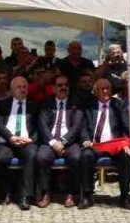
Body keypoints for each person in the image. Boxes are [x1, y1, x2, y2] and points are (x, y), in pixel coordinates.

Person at [79, 78, 130, 210]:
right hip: (95, 145)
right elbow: (83, 127)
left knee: (126, 156)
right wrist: (85, 139)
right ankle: (87, 196)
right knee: (85, 156)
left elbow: (126, 127)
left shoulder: (119, 105)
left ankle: (124, 196)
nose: (105, 91)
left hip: (114, 144)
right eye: (101, 89)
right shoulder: (89, 105)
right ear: (95, 91)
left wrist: (125, 143)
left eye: (107, 88)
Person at [36, 75, 83, 208]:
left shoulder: (76, 103)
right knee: (41, 157)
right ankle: (46, 193)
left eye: (66, 85)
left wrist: (63, 141)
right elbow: (42, 125)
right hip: (49, 141)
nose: (63, 88)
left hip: (69, 141)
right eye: (60, 85)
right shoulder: (46, 103)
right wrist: (53, 142)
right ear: (53, 88)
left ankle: (70, 194)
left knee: (76, 157)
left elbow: (76, 126)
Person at [0, 76, 39, 209]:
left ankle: (24, 196)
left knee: (31, 155)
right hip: (7, 141)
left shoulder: (34, 105)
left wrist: (32, 139)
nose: (22, 89)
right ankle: (6, 192)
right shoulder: (3, 104)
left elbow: (39, 126)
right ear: (12, 89)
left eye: (24, 87)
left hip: (26, 141)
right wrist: (11, 137)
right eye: (19, 87)